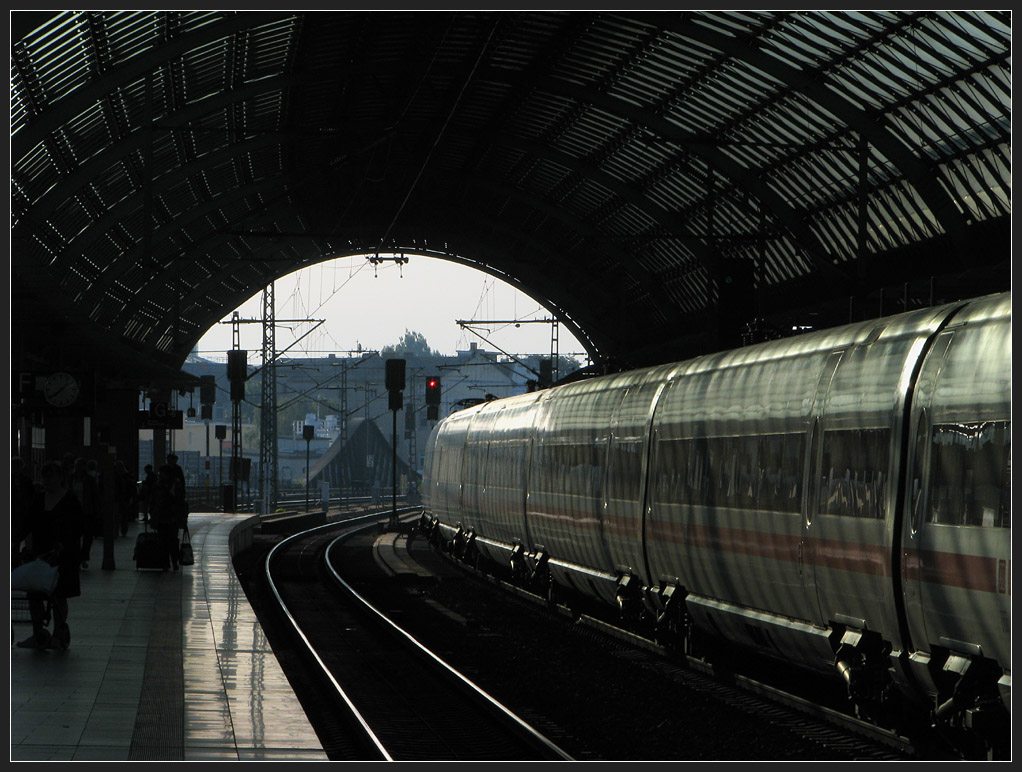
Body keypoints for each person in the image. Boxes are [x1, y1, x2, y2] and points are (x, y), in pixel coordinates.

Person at [17, 460, 83, 650]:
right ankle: (38, 633)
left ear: (60, 478)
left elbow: (77, 528)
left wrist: (64, 546)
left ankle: (57, 634)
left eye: (50, 477)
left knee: (59, 595)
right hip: (41, 555)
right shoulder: (40, 499)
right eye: (44, 477)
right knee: (35, 594)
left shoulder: (70, 501)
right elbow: (27, 523)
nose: (46, 481)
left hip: (63, 556)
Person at [68, 457, 101, 569]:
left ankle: (81, 557)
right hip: (76, 511)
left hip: (85, 510)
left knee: (86, 536)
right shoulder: (75, 479)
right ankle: (81, 557)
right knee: (78, 536)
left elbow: (95, 495)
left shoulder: (79, 479)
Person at [150, 465, 181, 571]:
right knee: (170, 540)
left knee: (165, 540)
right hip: (168, 517)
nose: (160, 475)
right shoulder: (173, 484)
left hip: (166, 516)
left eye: (161, 473)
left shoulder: (160, 486)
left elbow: (154, 501)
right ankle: (171, 562)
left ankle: (168, 563)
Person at [114, 460, 138, 536]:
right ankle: (123, 531)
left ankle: (116, 531)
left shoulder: (114, 476)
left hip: (118, 498)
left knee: (116, 515)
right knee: (124, 516)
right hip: (125, 498)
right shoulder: (127, 476)